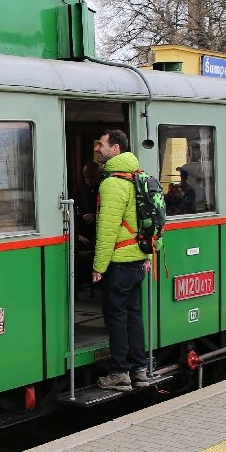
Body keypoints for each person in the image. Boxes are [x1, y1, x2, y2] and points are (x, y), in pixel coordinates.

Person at [92, 129, 152, 391]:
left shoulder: (112, 183)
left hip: (119, 261)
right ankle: (139, 368)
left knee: (115, 316)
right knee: (134, 315)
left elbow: (107, 229)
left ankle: (119, 372)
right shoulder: (139, 177)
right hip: (138, 258)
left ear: (115, 149)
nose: (97, 149)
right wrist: (148, 255)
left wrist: (98, 266)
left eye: (101, 144)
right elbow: (146, 221)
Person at [73, 162, 101, 294]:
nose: (88, 181)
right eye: (86, 178)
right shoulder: (81, 192)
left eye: (91, 178)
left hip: (97, 233)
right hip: (81, 233)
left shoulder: (103, 190)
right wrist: (77, 235)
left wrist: (95, 216)